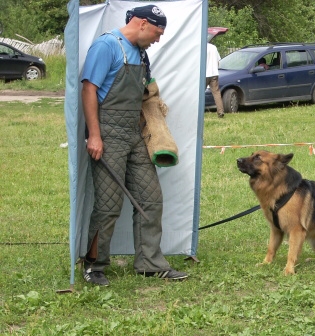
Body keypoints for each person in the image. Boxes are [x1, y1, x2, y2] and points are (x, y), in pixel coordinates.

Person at [81, 4, 188, 286]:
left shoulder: (140, 53)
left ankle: (149, 262)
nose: (158, 38)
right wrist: (94, 135)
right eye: (157, 31)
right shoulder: (107, 46)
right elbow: (88, 89)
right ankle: (94, 266)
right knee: (108, 204)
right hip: (107, 133)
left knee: (150, 199)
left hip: (133, 133)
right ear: (141, 24)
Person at [206, 42, 224, 117]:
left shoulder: (201, 47)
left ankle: (196, 111)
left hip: (204, 74)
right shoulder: (213, 47)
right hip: (214, 73)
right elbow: (218, 61)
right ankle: (220, 111)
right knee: (216, 93)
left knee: (199, 94)